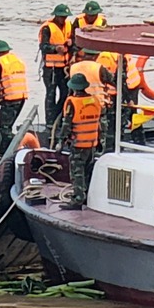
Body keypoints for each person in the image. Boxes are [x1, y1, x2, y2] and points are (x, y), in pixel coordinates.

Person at [54, 72, 106, 209]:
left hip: (78, 144)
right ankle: (87, 197)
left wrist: (60, 142)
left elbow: (67, 125)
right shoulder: (95, 100)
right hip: (92, 143)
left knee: (77, 173)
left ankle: (77, 199)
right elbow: (101, 123)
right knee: (88, 171)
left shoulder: (73, 102)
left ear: (74, 88)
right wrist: (101, 140)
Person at [0, 39, 30, 157]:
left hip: (9, 98)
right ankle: (4, 152)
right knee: (8, 126)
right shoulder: (18, 60)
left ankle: (18, 147)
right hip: (21, 97)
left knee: (4, 129)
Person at [39, 4, 75, 129]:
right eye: (61, 17)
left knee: (65, 92)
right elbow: (43, 46)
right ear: (56, 16)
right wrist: (55, 49)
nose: (63, 19)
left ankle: (59, 117)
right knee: (51, 94)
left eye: (65, 17)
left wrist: (71, 43)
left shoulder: (70, 25)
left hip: (64, 67)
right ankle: (50, 121)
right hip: (51, 68)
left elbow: (75, 41)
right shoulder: (47, 28)